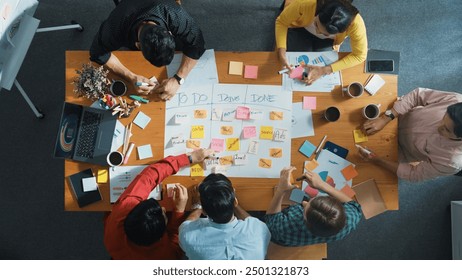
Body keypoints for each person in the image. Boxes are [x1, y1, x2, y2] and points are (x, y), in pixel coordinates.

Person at [104, 148, 213, 259]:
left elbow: (149, 176)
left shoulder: (125, 206)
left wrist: (189, 158)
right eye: (164, 215)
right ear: (161, 236)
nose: (164, 209)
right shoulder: (165, 257)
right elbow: (176, 240)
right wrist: (178, 212)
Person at [90, 0, 205, 99]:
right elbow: (97, 53)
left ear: (170, 33)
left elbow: (197, 43)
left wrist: (179, 78)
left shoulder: (174, 14)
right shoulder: (116, 27)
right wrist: (131, 77)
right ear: (138, 46)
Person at [360, 88, 462, 182]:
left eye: (447, 130)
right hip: (398, 115)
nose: (439, 126)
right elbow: (417, 95)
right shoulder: (456, 100)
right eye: (444, 117)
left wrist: (378, 161)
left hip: (397, 151)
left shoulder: (452, 162)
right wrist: (385, 118)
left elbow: (414, 174)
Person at [179, 173, 271, 259]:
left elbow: (187, 223)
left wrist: (198, 204)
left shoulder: (188, 234)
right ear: (235, 201)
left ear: (204, 212)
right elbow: (251, 221)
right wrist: (229, 200)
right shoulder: (259, 229)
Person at [275, 0, 367, 85]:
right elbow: (282, 22)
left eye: (326, 33)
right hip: (301, 28)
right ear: (318, 12)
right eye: (315, 24)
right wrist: (281, 53)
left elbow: (360, 55)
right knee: (289, 63)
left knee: (315, 69)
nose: (318, 32)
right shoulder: (305, 3)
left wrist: (325, 70)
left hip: (328, 42)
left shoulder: (355, 24)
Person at [265, 167, 362, 246]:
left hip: (280, 239)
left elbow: (271, 219)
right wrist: (322, 184)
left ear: (306, 222)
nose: (304, 203)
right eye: (312, 200)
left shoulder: (286, 228)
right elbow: (353, 204)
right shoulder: (350, 219)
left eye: (305, 210)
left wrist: (281, 190)